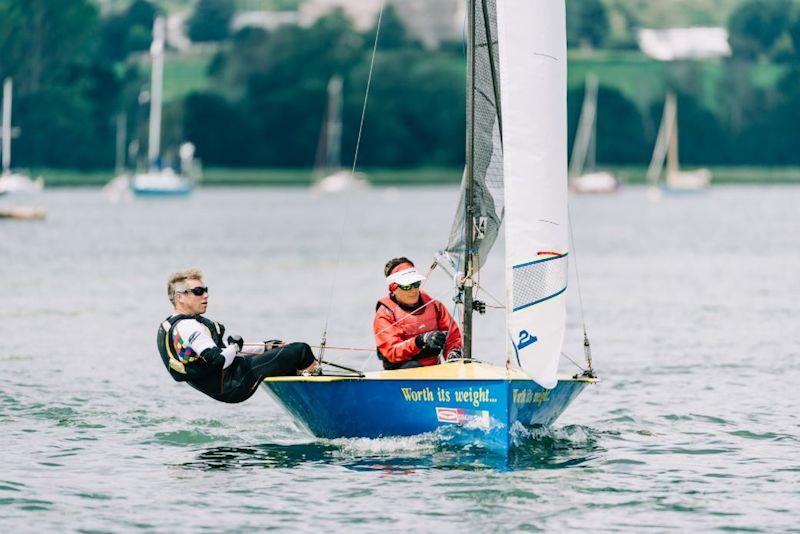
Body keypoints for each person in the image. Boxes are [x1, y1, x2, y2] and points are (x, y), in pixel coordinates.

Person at [156, 268, 317, 403]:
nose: (205, 295)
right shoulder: (190, 327)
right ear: (179, 297)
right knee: (301, 351)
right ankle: (318, 399)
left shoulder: (171, 326)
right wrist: (235, 345)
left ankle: (306, 390)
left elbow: (218, 349)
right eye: (198, 291)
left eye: (205, 290)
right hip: (234, 382)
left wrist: (265, 346)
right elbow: (219, 360)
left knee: (283, 356)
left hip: (224, 383)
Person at [373, 257, 462, 370]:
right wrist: (420, 341)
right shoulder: (385, 314)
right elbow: (392, 351)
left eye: (416, 284)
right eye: (406, 286)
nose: (413, 290)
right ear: (393, 288)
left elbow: (453, 338)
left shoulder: (435, 306)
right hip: (402, 373)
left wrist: (453, 354)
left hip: (434, 373)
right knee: (413, 366)